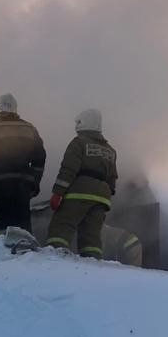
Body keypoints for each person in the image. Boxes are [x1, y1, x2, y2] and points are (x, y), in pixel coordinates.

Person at [46, 109, 118, 258]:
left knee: (62, 225)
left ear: (83, 123)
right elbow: (113, 178)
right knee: (91, 234)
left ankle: (54, 257)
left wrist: (58, 193)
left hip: (79, 191)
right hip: (102, 197)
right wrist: (105, 194)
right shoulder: (110, 150)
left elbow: (68, 169)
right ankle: (92, 261)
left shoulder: (78, 143)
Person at [0, 93, 46, 235]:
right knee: (23, 219)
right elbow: (40, 157)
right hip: (23, 181)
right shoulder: (29, 128)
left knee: (2, 220)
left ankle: (3, 250)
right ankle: (25, 250)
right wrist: (35, 181)